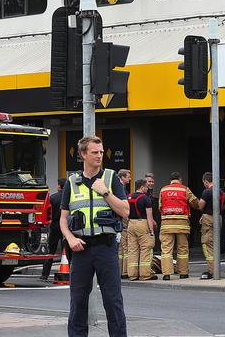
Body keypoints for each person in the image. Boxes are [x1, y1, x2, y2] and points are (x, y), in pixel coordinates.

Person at [60, 135, 129, 337]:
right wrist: (70, 239)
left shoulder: (110, 178)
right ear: (83, 154)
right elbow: (63, 219)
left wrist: (106, 193)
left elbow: (125, 211)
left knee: (113, 300)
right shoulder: (72, 182)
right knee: (78, 301)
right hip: (81, 249)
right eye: (94, 152)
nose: (99, 156)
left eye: (101, 152)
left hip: (106, 247)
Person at [158, 172, 199, 280]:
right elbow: (194, 202)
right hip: (182, 224)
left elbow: (160, 206)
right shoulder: (184, 189)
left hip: (166, 224)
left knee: (166, 250)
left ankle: (166, 274)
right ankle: (183, 273)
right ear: (180, 180)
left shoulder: (163, 190)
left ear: (170, 180)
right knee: (182, 249)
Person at [127, 179, 157, 281]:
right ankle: (145, 275)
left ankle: (132, 274)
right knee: (146, 248)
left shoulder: (129, 197)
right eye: (146, 187)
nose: (147, 189)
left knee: (132, 249)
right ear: (142, 187)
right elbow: (149, 216)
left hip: (130, 224)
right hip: (142, 223)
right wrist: (151, 231)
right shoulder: (145, 198)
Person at [198, 172, 224, 280]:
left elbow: (200, 206)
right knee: (215, 244)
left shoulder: (207, 191)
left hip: (209, 219)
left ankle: (212, 271)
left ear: (206, 181)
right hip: (219, 218)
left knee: (207, 244)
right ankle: (215, 269)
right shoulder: (221, 191)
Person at [40, 178, 66, 281]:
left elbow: (47, 213)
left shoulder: (53, 198)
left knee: (50, 251)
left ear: (59, 186)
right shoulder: (70, 197)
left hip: (55, 226)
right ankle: (73, 272)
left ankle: (44, 274)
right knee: (68, 251)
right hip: (66, 227)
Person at [117, 169, 131, 278]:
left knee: (121, 248)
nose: (129, 178)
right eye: (128, 176)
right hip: (122, 219)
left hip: (119, 219)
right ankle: (125, 271)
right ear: (122, 177)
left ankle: (120, 271)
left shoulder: (118, 186)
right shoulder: (120, 188)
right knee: (125, 246)